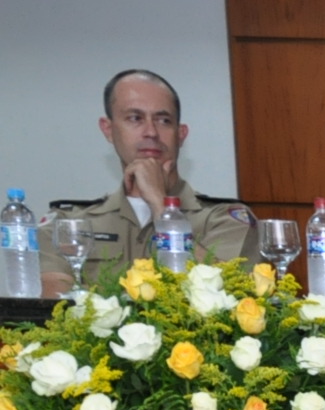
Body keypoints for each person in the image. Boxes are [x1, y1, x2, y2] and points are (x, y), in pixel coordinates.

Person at [38, 69, 258, 297]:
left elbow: (228, 295)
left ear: (181, 134)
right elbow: (55, 302)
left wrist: (162, 207)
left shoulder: (224, 219)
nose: (151, 132)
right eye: (135, 118)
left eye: (164, 121)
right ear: (108, 130)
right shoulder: (66, 224)